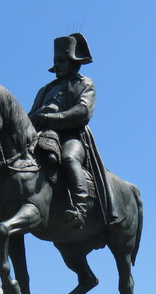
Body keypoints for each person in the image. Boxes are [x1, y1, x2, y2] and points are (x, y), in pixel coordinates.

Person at [29, 33, 112, 227]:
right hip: (42, 135)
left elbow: (83, 111)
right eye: (55, 61)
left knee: (68, 158)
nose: (57, 65)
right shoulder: (45, 89)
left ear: (74, 62)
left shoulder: (84, 84)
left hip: (72, 136)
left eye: (61, 61)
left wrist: (51, 118)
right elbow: (31, 114)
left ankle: (80, 210)